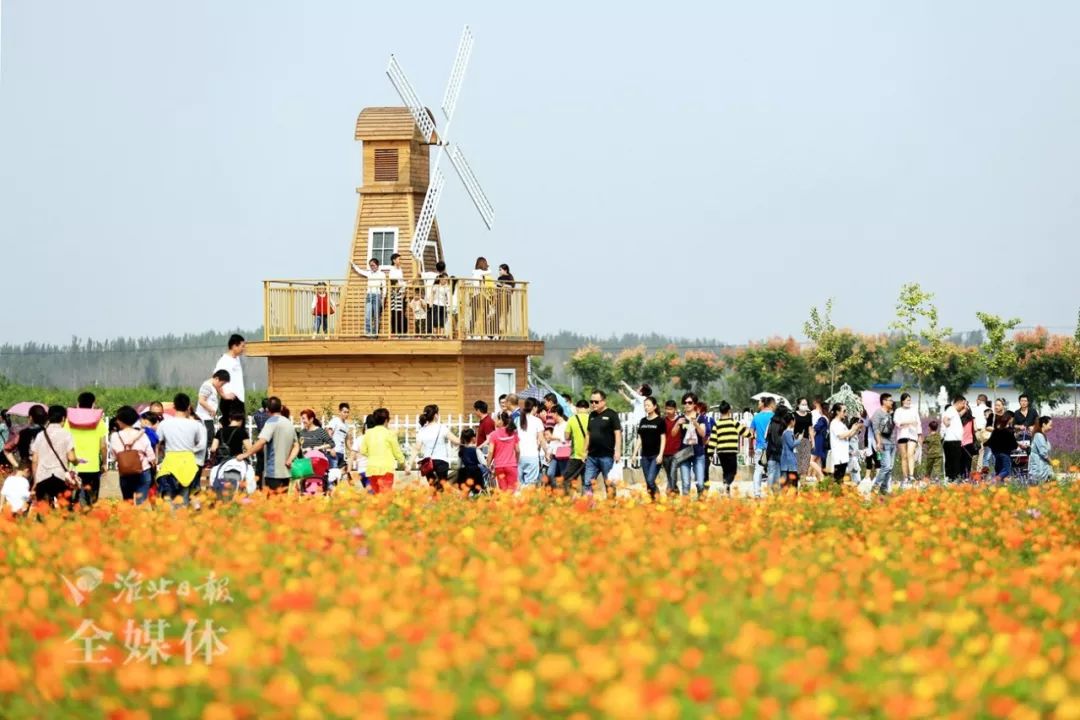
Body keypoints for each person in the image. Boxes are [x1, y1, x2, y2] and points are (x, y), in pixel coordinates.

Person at [237, 397, 299, 493]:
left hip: (273, 472)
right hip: (286, 471)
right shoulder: (288, 423)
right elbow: (296, 445)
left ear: (267, 410)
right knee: (283, 503)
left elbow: (262, 441)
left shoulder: (271, 422)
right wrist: (290, 459)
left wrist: (246, 454)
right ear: (280, 408)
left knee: (273, 504)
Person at [156, 393, 207, 506]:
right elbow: (202, 445)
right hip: (188, 463)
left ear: (174, 406)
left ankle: (170, 521)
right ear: (188, 407)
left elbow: (157, 443)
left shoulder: (164, 424)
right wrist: (190, 450)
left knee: (168, 500)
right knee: (183, 499)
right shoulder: (196, 425)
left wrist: (156, 460)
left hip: (170, 463)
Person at [30, 405, 78, 506]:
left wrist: (35, 480)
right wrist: (76, 461)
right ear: (63, 418)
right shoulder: (67, 434)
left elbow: (35, 460)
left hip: (43, 477)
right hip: (60, 477)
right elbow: (71, 457)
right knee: (65, 510)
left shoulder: (40, 435)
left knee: (43, 511)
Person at [109, 405, 156, 504]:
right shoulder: (142, 435)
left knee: (127, 502)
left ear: (121, 420)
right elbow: (151, 455)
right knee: (141, 503)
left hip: (125, 472)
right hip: (143, 471)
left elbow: (113, 457)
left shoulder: (115, 436)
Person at [67, 391, 107, 505]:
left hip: (72, 465)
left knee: (71, 500)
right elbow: (103, 446)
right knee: (90, 500)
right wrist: (104, 463)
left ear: (78, 403)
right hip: (92, 466)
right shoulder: (99, 422)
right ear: (93, 404)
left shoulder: (68, 421)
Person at [707, 401, 752, 494]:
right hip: (731, 451)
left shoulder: (717, 424)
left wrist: (710, 452)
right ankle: (726, 484)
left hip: (721, 452)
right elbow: (746, 433)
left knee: (726, 471)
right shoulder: (734, 422)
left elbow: (713, 439)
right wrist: (752, 435)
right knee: (733, 472)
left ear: (720, 411)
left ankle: (726, 490)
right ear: (729, 411)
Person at [414, 404, 461, 491]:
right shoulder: (442, 428)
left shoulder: (422, 430)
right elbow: (456, 441)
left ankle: (433, 502)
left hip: (427, 463)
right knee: (442, 487)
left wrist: (409, 463)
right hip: (441, 461)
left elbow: (417, 448)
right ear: (436, 415)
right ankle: (441, 502)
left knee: (433, 488)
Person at [584, 390, 622, 496]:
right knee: (587, 483)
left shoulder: (612, 414)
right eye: (591, 402)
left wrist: (618, 451)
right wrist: (584, 451)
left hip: (607, 456)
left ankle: (611, 507)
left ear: (603, 401)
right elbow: (588, 434)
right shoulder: (591, 415)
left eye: (596, 402)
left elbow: (618, 434)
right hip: (592, 456)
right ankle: (588, 506)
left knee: (609, 484)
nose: (593, 404)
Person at [632, 397, 666, 500]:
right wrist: (634, 454)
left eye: (648, 405)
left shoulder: (660, 421)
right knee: (648, 482)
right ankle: (653, 502)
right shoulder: (643, 421)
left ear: (654, 406)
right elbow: (640, 439)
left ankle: (657, 497)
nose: (646, 407)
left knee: (651, 480)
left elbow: (663, 438)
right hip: (645, 456)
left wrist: (661, 454)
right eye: (645, 405)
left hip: (655, 455)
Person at [196, 370, 230, 468]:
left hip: (208, 418)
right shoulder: (207, 386)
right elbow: (201, 400)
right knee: (207, 441)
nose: (221, 386)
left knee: (210, 440)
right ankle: (204, 461)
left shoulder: (213, 386)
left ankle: (208, 461)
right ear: (216, 379)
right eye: (222, 383)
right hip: (204, 418)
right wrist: (211, 409)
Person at [516, 398, 548, 488]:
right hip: (532, 456)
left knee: (519, 485)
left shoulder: (517, 420)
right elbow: (541, 439)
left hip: (519, 456)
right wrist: (546, 453)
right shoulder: (537, 421)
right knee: (530, 486)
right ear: (534, 407)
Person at [214, 334, 246, 421]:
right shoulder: (224, 361)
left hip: (239, 400)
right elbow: (215, 380)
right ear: (234, 346)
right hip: (230, 401)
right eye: (242, 346)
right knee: (231, 429)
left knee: (239, 430)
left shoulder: (237, 358)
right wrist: (224, 395)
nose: (244, 349)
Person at [352, 258, 387, 336]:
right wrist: (353, 264)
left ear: (377, 265)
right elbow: (360, 271)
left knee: (376, 316)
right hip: (369, 295)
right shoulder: (369, 273)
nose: (372, 267)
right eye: (370, 265)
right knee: (368, 314)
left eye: (373, 265)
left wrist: (383, 298)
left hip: (377, 295)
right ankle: (368, 332)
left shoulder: (382, 274)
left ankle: (375, 333)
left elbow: (384, 286)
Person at [893, 393, 921, 488]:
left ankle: (911, 475)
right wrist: (909, 422)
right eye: (907, 400)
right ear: (902, 401)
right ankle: (905, 477)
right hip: (902, 435)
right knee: (904, 456)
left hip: (912, 435)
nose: (909, 402)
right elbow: (897, 422)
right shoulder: (898, 411)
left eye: (910, 400)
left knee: (910, 454)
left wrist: (919, 435)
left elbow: (918, 423)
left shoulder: (914, 410)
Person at [487, 412, 520, 491]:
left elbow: (491, 451)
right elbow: (518, 450)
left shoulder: (494, 435)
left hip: (499, 466)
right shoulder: (513, 433)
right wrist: (516, 461)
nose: (494, 421)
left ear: (500, 421)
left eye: (496, 419)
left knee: (503, 491)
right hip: (511, 465)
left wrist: (488, 464)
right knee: (512, 490)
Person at [870, 393, 897, 494]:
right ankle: (875, 486)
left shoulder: (891, 413)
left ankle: (884, 489)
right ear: (884, 401)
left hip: (892, 443)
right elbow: (876, 429)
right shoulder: (878, 413)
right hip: (884, 443)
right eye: (890, 400)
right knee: (885, 466)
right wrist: (878, 442)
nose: (892, 402)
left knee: (890, 468)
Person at [828, 404, 862, 483]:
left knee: (840, 478)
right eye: (844, 411)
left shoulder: (841, 424)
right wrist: (852, 429)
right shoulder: (834, 423)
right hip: (838, 456)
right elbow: (841, 436)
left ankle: (838, 493)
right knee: (838, 479)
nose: (845, 413)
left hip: (843, 455)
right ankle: (835, 494)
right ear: (837, 412)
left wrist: (856, 429)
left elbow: (848, 435)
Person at [750, 397, 776, 498]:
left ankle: (757, 493)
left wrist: (750, 448)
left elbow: (750, 433)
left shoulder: (756, 417)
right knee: (771, 471)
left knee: (758, 470)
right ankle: (769, 493)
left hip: (759, 448)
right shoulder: (774, 417)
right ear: (770, 404)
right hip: (771, 448)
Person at [562, 400, 590, 491]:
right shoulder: (592, 419)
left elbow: (566, 436)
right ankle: (587, 501)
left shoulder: (572, 419)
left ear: (577, 408)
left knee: (568, 480)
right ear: (588, 408)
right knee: (587, 482)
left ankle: (569, 500)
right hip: (589, 456)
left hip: (575, 456)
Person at [941, 396, 967, 482]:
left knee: (954, 460)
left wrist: (965, 409)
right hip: (952, 440)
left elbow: (959, 415)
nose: (964, 406)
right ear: (959, 402)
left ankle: (953, 478)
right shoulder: (951, 410)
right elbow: (945, 418)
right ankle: (953, 478)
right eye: (963, 404)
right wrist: (946, 423)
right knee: (953, 461)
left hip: (955, 440)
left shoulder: (954, 412)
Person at [545, 407, 571, 490]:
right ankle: (552, 492)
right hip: (555, 454)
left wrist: (556, 438)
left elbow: (567, 440)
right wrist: (549, 452)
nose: (552, 418)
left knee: (564, 475)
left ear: (556, 413)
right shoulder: (556, 426)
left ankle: (565, 492)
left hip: (563, 454)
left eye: (552, 415)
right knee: (550, 473)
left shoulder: (566, 425)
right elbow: (553, 442)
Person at [986, 413, 1018, 482]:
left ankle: (999, 486)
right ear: (1009, 420)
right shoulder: (1009, 432)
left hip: (996, 453)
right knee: (1006, 470)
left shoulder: (996, 430)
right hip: (1005, 453)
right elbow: (1014, 445)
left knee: (999, 469)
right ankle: (994, 480)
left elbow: (989, 442)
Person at [660, 400, 683, 495]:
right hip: (665, 452)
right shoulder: (662, 421)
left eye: (670, 409)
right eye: (667, 409)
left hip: (676, 452)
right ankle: (675, 492)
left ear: (675, 409)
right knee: (670, 475)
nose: (668, 411)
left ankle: (669, 490)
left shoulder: (681, 420)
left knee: (673, 473)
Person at [456, 428, 485, 495]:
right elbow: (484, 463)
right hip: (475, 474)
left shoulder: (461, 450)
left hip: (464, 474)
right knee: (476, 493)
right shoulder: (476, 450)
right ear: (473, 438)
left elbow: (458, 465)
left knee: (465, 494)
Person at [326, 403, 352, 471]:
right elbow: (329, 434)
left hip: (341, 453)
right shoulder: (335, 421)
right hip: (333, 451)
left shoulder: (346, 425)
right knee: (333, 473)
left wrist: (352, 451)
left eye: (347, 412)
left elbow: (347, 441)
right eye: (344, 412)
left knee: (341, 472)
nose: (346, 414)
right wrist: (331, 448)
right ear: (340, 412)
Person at [386, 253, 407, 335]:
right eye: (399, 259)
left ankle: (401, 331)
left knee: (401, 312)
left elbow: (401, 281)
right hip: (395, 293)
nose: (400, 261)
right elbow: (393, 281)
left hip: (401, 292)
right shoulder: (392, 269)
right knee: (395, 311)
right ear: (394, 260)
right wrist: (400, 286)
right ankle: (395, 331)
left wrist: (404, 289)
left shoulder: (400, 269)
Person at [1028, 416, 1053, 483]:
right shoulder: (1039, 436)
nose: (1051, 427)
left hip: (1043, 466)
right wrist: (1052, 462)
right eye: (1050, 425)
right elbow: (1043, 452)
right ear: (1044, 424)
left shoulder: (1042, 436)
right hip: (1039, 466)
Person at [793, 398, 813, 480]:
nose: (804, 406)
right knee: (796, 463)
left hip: (805, 441)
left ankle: (803, 484)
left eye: (806, 404)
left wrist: (813, 440)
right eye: (803, 404)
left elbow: (810, 428)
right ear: (798, 405)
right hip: (795, 441)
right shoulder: (793, 415)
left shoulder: (809, 415)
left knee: (804, 464)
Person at [809, 401, 829, 484]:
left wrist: (812, 431)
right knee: (817, 460)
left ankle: (821, 475)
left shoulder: (822, 418)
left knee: (811, 461)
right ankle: (818, 479)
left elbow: (816, 428)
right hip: (822, 440)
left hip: (818, 440)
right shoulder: (826, 419)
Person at [779, 413, 800, 489]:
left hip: (787, 462)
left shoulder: (787, 432)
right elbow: (791, 445)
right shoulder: (787, 433)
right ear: (791, 421)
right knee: (792, 484)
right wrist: (799, 440)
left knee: (786, 484)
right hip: (789, 463)